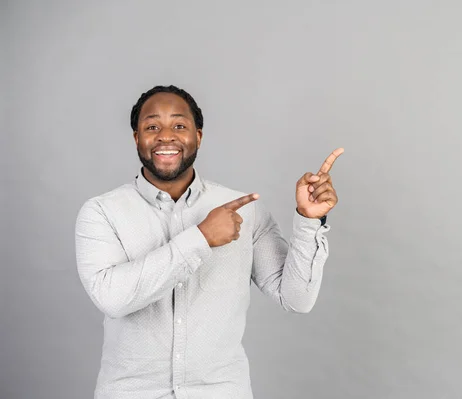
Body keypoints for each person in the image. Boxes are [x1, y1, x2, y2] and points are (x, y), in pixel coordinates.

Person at [75, 85, 343, 399]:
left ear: (198, 136)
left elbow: (297, 298)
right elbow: (113, 298)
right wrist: (201, 237)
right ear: (136, 138)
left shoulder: (245, 210)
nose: (165, 136)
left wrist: (309, 220)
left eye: (179, 125)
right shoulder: (102, 212)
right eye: (151, 127)